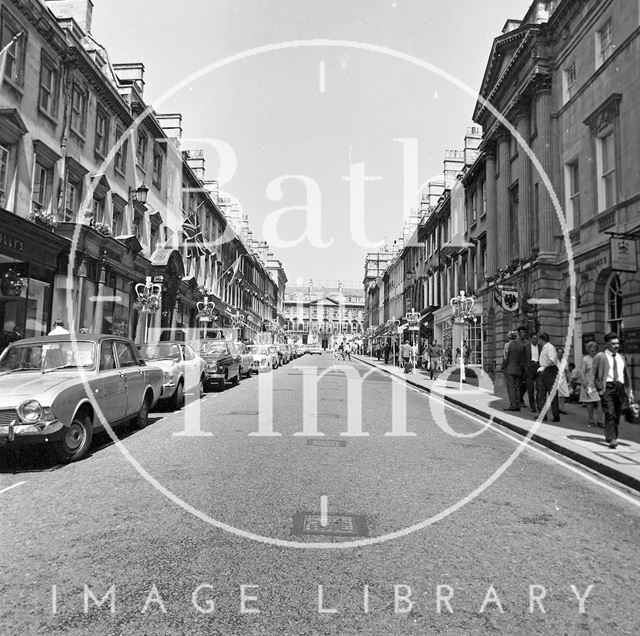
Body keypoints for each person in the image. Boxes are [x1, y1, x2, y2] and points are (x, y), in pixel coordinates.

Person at [592, 332, 634, 449]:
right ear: (607, 344)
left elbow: (626, 375)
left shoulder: (621, 357)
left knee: (616, 413)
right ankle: (612, 438)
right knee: (610, 412)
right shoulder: (600, 356)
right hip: (607, 387)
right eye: (613, 343)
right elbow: (593, 372)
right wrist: (591, 386)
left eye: (617, 343)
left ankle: (611, 434)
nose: (616, 346)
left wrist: (629, 391)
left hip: (620, 387)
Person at [536, 332, 560, 422]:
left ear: (541, 339)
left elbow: (552, 359)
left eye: (539, 339)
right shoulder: (544, 348)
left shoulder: (550, 347)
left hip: (550, 371)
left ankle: (556, 416)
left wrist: (544, 367)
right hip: (544, 372)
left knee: (552, 394)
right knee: (541, 394)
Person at [579, 341, 603, 428]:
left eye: (595, 351)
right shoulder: (585, 359)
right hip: (589, 382)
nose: (594, 352)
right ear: (588, 350)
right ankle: (591, 420)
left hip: (598, 382)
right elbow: (582, 371)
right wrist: (584, 381)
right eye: (592, 351)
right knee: (590, 403)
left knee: (600, 401)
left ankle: (600, 420)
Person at [502, 330, 525, 411]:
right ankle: (518, 405)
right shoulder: (520, 345)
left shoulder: (507, 345)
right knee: (518, 388)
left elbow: (505, 358)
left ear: (508, 337)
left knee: (511, 387)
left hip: (509, 369)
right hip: (518, 370)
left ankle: (513, 405)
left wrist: (503, 367)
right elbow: (522, 359)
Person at [523, 333, 540, 413]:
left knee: (539, 388)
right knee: (530, 389)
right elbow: (522, 359)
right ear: (531, 339)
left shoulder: (541, 347)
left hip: (538, 367)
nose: (535, 340)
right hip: (530, 368)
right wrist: (525, 369)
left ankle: (538, 404)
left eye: (536, 339)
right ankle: (533, 407)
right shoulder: (526, 347)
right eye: (534, 339)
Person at [556, 347, 570, 414]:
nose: (560, 354)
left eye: (561, 352)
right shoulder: (554, 360)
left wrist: (569, 380)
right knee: (557, 395)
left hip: (563, 379)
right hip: (555, 379)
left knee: (563, 395)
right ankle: (557, 408)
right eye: (558, 352)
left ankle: (562, 408)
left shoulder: (565, 361)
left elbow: (567, 371)